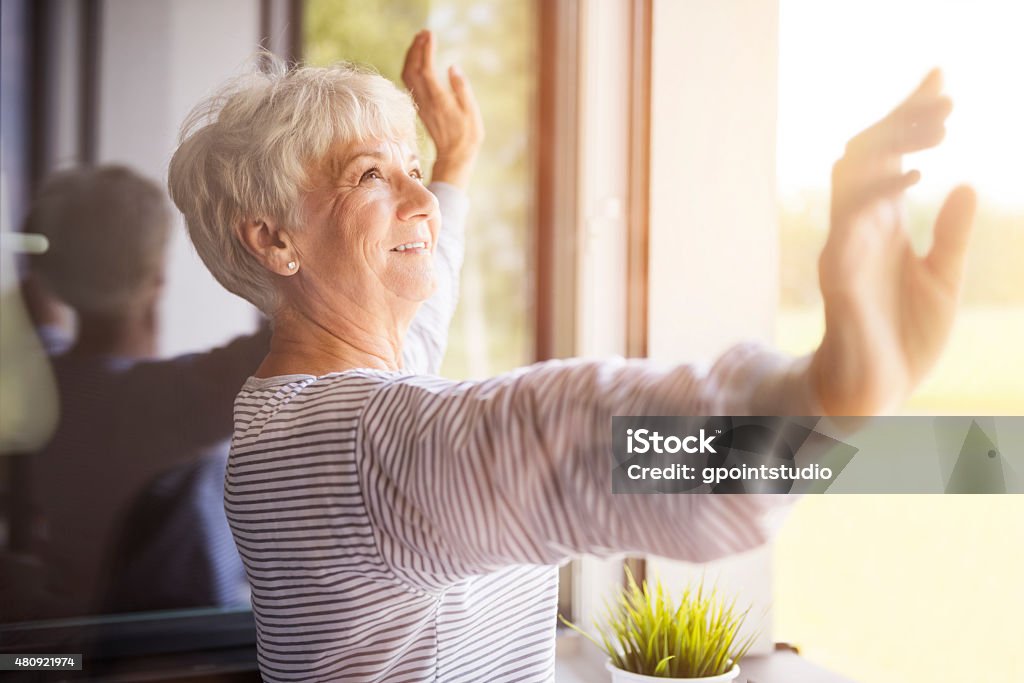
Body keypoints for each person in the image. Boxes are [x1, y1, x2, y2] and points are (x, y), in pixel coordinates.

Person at [167, 27, 976, 682]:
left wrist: (451, 170)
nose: (420, 203)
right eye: (371, 175)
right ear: (274, 240)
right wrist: (823, 394)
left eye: (411, 170)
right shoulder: (359, 446)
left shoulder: (290, 410)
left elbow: (421, 311)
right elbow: (566, 445)